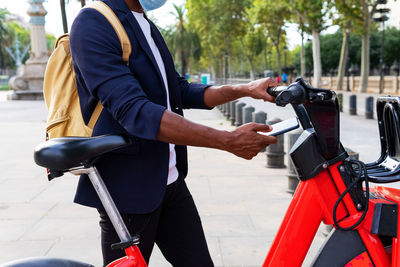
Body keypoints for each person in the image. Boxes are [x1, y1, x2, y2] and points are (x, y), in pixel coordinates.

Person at [69, 0, 277, 266]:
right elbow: (135, 110)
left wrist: (244, 89)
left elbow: (178, 89)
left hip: (170, 181)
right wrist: (227, 140)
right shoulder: (93, 22)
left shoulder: (144, 23)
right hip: (129, 190)